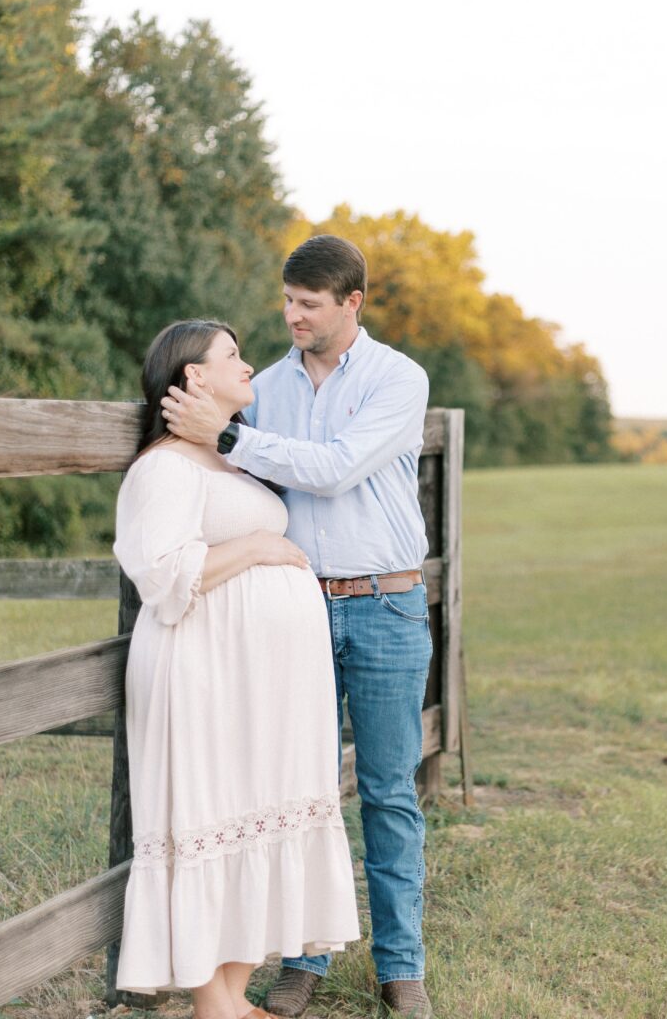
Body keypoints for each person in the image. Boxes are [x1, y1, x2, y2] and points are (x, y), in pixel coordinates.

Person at [162, 235, 436, 1019]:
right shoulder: (268, 387)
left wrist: (228, 435)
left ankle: (401, 969)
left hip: (386, 603)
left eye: (309, 305)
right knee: (298, 789)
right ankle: (302, 960)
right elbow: (228, 467)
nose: (291, 317)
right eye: (287, 301)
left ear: (353, 302)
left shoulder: (397, 378)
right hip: (297, 610)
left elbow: (336, 465)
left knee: (387, 793)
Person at [113, 318, 361, 1018]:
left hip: (259, 683)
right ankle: (213, 1005)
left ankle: (234, 996)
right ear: (193, 377)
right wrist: (254, 547)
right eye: (232, 356)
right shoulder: (164, 467)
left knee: (255, 815)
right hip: (203, 671)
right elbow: (159, 575)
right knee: (208, 810)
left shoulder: (230, 461)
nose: (248, 366)